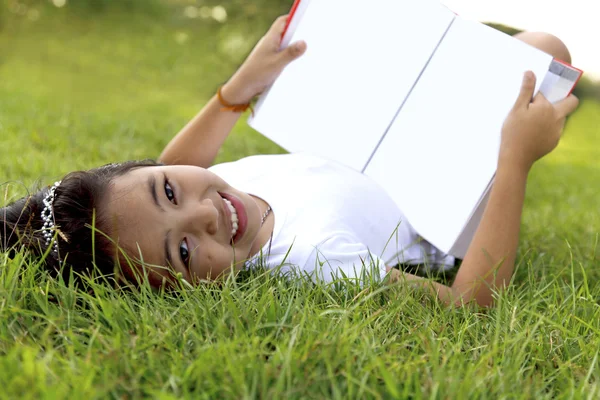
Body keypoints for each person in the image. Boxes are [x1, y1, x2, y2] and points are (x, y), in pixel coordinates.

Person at [0, 16, 579, 307]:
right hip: (443, 191)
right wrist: (514, 161)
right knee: (547, 55)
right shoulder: (314, 259)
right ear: (184, 291)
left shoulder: (217, 190)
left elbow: (176, 162)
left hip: (386, 142)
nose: (205, 217)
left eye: (169, 192)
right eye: (182, 252)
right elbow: (469, 305)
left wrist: (238, 89)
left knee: (529, 48)